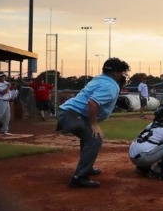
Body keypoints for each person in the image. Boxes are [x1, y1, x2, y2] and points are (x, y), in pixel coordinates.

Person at [56, 57, 130, 188]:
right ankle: (79, 177)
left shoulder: (100, 79)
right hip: (72, 115)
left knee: (89, 138)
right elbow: (92, 102)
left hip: (70, 112)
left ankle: (86, 168)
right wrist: (94, 124)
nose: (122, 75)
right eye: (121, 72)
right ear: (115, 73)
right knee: (94, 139)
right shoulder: (111, 85)